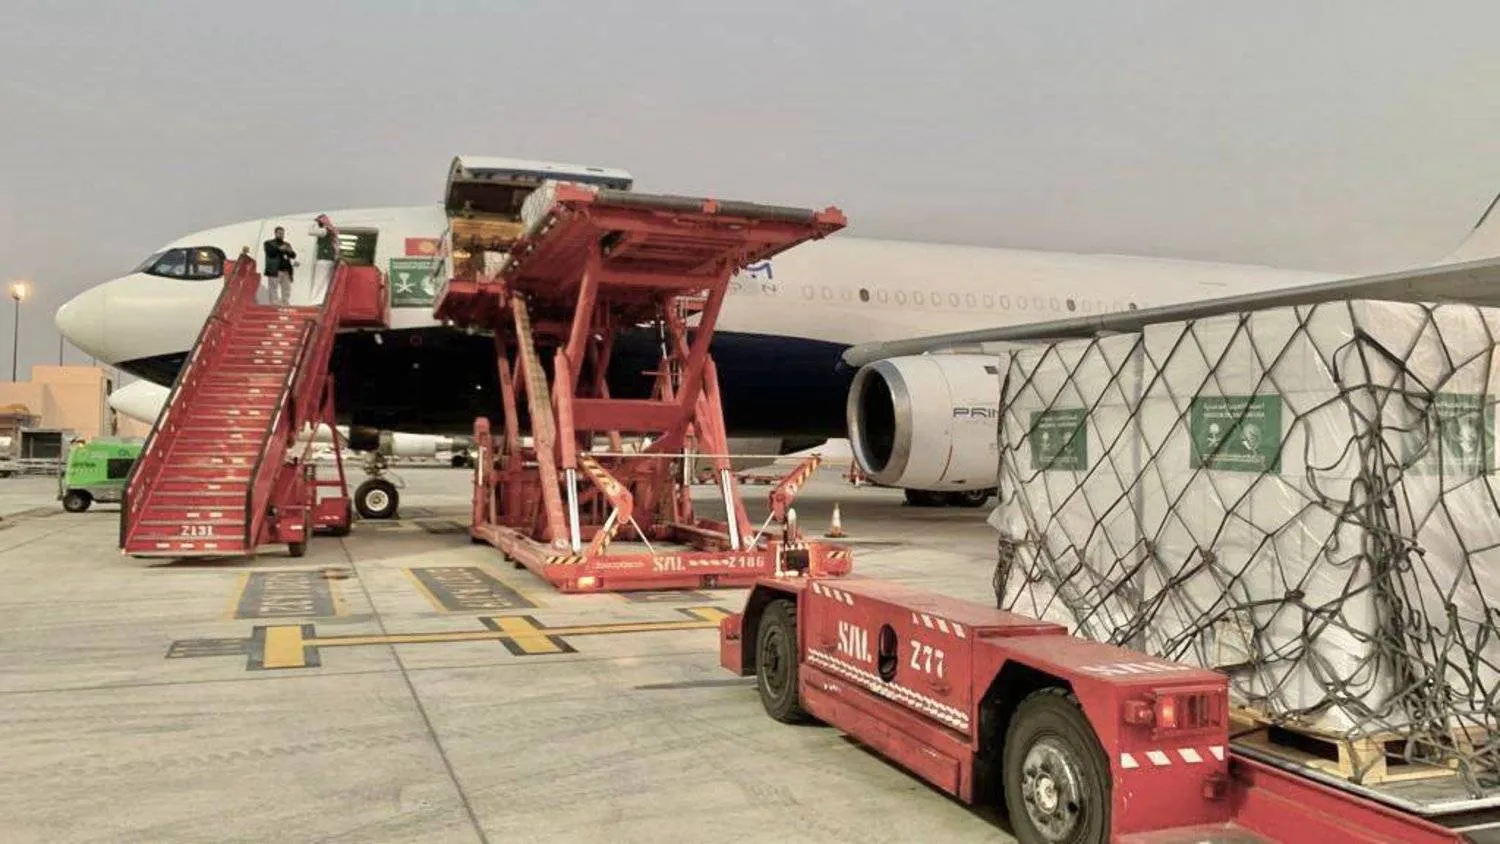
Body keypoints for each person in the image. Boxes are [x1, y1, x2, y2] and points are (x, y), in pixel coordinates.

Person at [262, 227, 298, 305]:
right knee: (273, 288)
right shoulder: (269, 243)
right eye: (279, 233)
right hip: (275, 270)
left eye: (282, 233)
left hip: (286, 270)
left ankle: (285, 304)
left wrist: (289, 251)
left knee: (286, 289)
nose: (281, 235)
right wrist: (279, 249)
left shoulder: (287, 244)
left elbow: (293, 255)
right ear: (275, 233)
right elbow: (270, 253)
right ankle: (274, 305)